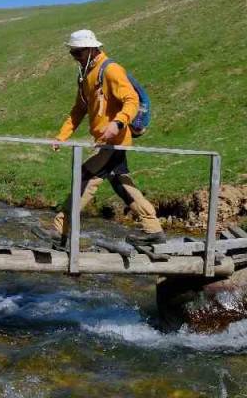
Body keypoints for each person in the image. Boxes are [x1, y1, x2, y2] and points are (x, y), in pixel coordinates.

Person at [35, 29, 166, 248]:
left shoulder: (111, 70)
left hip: (115, 141)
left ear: (92, 49)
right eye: (73, 53)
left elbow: (131, 100)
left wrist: (117, 123)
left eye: (78, 53)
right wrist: (62, 136)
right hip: (105, 142)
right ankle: (153, 230)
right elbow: (78, 110)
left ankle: (60, 230)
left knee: (86, 175)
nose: (75, 57)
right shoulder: (85, 75)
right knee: (122, 184)